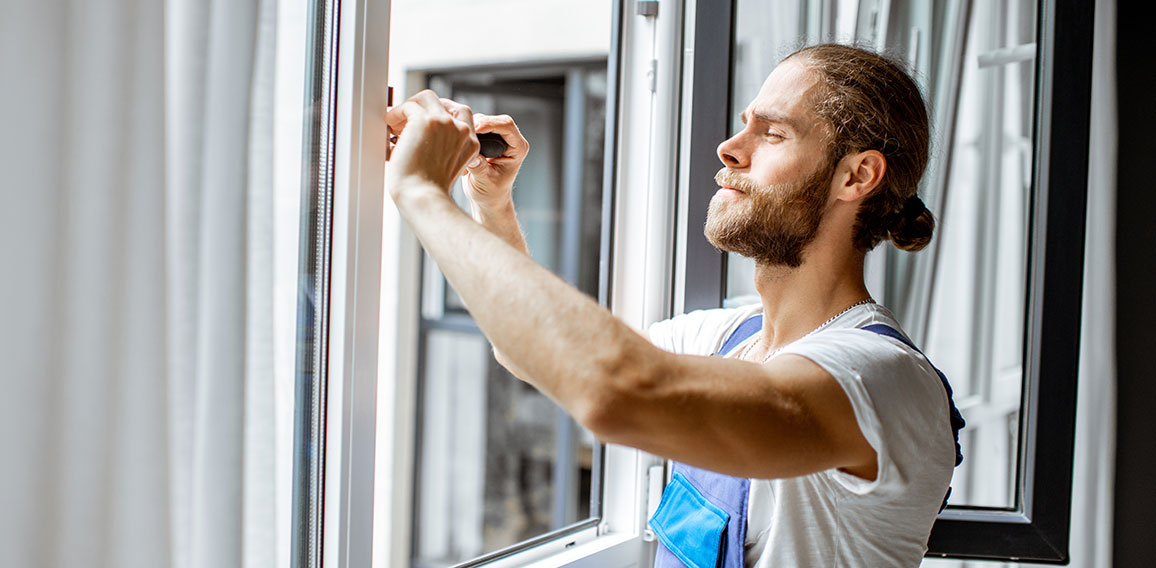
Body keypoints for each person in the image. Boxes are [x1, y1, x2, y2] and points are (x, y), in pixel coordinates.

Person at [385, 43, 963, 567]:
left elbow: (615, 392)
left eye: (773, 133)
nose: (730, 150)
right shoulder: (730, 337)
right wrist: (493, 204)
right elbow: (536, 353)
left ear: (857, 175)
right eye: (744, 126)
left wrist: (421, 193)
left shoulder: (882, 383)